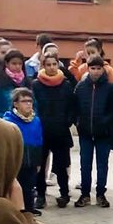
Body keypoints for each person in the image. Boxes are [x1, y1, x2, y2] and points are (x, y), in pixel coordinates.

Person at [32, 53, 77, 208]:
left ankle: (64, 194)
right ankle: (41, 196)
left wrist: (67, 121)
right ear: (43, 66)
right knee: (40, 165)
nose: (51, 67)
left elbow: (72, 106)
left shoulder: (65, 84)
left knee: (62, 165)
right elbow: (33, 106)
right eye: (48, 64)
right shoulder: (36, 85)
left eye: (54, 64)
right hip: (41, 132)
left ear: (58, 65)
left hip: (60, 131)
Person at [73, 55, 113, 207]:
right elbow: (75, 107)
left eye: (98, 68)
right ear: (88, 69)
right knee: (85, 164)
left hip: (103, 134)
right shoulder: (81, 87)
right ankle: (85, 194)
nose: (96, 72)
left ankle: (101, 194)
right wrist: (78, 122)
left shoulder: (109, 88)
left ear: (103, 69)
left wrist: (106, 123)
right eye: (93, 68)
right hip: (85, 132)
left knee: (102, 164)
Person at [2, 88, 44, 214]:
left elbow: (39, 141)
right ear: (15, 104)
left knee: (29, 187)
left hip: (31, 160)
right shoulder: (8, 121)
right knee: (16, 187)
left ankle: (29, 211)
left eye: (30, 101)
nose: (28, 104)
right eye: (24, 101)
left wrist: (38, 162)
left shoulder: (36, 120)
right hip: (16, 161)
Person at [0, 49, 30, 117]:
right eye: (14, 63)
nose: (17, 66)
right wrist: (6, 117)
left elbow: (34, 105)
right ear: (6, 64)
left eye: (20, 64)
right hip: (3, 123)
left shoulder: (27, 83)